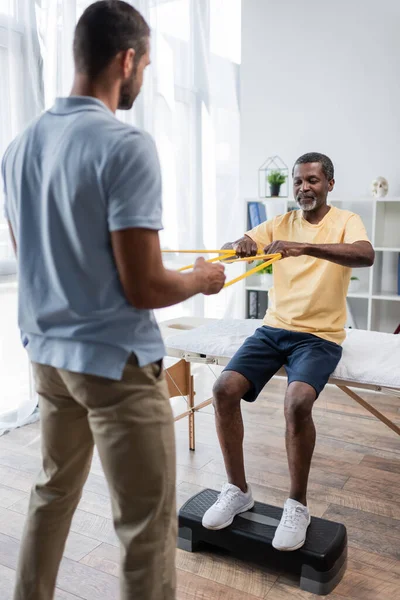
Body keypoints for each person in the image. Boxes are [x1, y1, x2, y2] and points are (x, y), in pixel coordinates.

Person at [1, 2, 225, 599]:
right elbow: (144, 286)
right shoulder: (125, 147)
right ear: (126, 60)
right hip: (115, 366)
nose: (144, 78)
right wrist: (201, 280)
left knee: (51, 494)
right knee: (146, 529)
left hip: (48, 360)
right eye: (146, 64)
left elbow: (36, 259)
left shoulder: (19, 147)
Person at [202, 152, 374, 551]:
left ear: (329, 183)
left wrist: (305, 248)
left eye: (312, 180)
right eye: (298, 181)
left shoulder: (346, 221)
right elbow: (233, 247)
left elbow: (365, 255)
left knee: (297, 403)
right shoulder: (279, 222)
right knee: (223, 389)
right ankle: (237, 490)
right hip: (274, 329)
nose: (303, 188)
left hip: (320, 336)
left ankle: (297, 504)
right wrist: (240, 244)